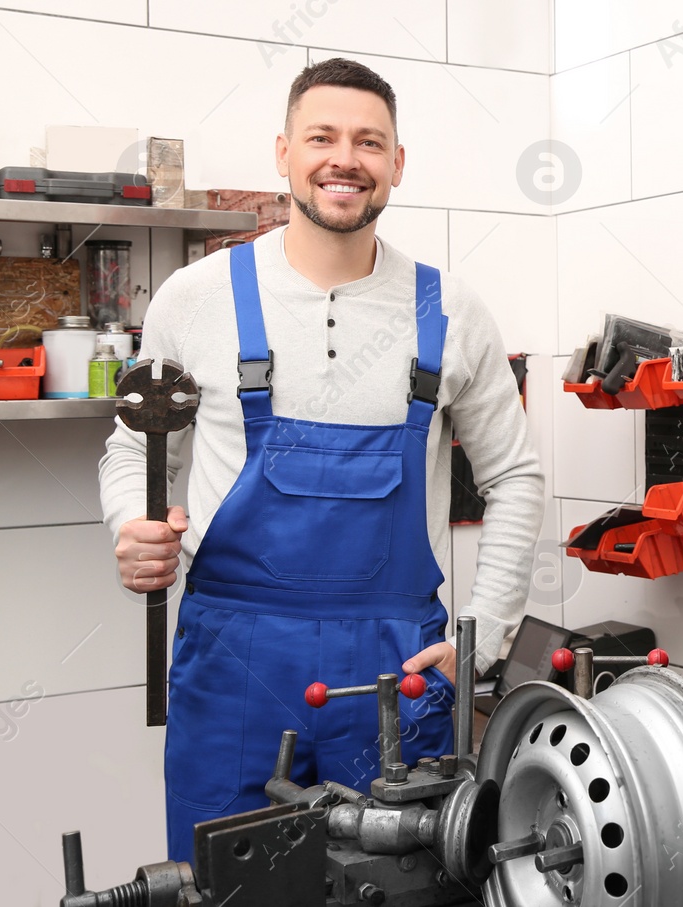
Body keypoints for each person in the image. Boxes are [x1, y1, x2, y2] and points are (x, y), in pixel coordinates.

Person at [98, 57, 545, 863]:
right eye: (323, 136)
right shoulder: (194, 299)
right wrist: (130, 525)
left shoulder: (451, 310)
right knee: (226, 879)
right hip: (232, 660)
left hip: (396, 670)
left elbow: (516, 475)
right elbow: (134, 447)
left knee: (397, 880)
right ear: (284, 152)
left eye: (370, 141)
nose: (346, 158)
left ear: (397, 164)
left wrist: (482, 639)